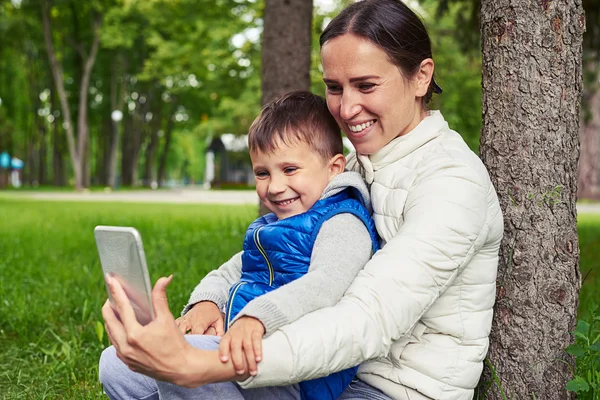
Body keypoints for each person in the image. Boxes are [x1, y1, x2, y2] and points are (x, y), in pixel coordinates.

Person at [100, 0, 503, 399]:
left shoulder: (453, 184)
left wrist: (208, 364)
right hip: (319, 368)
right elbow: (281, 247)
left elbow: (367, 320)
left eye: (365, 85)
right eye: (333, 87)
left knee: (190, 369)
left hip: (392, 390)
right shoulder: (358, 165)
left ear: (420, 77)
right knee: (122, 368)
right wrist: (206, 304)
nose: (346, 108)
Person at [100, 90, 380, 400]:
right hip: (243, 354)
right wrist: (206, 303)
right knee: (114, 363)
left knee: (181, 358)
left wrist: (256, 317)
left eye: (289, 170)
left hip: (295, 374)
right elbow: (231, 271)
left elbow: (325, 286)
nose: (274, 187)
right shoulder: (275, 227)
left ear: (334, 168)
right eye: (262, 173)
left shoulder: (343, 221)